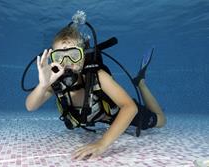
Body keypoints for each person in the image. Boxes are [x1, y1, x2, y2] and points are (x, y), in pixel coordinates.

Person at [25, 25, 166, 160]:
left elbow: (130, 107)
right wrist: (43, 86)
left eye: (74, 55)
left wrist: (102, 143)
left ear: (83, 57)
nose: (66, 62)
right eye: (59, 57)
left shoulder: (97, 76)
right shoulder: (54, 82)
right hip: (98, 117)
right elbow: (30, 106)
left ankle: (140, 83)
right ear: (53, 59)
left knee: (161, 121)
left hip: (114, 114)